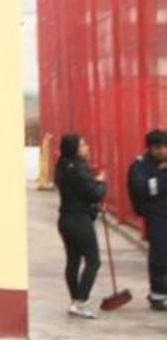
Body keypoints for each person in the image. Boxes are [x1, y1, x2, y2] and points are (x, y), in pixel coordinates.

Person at [57, 134, 107, 319]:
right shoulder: (79, 168)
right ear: (76, 149)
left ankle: (75, 300)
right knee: (93, 261)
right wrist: (101, 181)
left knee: (73, 261)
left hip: (66, 219)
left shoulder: (62, 165)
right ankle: (81, 301)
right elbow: (94, 193)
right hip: (80, 221)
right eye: (84, 144)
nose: (87, 147)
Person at [125, 129, 167, 311]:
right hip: (156, 215)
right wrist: (161, 179)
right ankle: (158, 294)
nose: (163, 151)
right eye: (159, 148)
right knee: (159, 253)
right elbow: (143, 189)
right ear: (150, 148)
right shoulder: (140, 166)